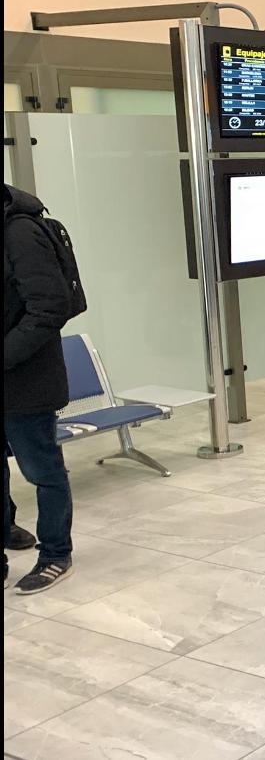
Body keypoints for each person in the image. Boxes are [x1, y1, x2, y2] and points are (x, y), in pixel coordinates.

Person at [3, 184, 76, 594]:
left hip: (27, 383)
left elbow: (50, 306)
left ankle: (55, 553)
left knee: (42, 471)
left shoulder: (20, 231)